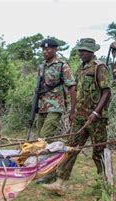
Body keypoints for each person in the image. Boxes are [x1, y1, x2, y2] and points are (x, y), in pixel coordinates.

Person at [42, 38, 111, 195]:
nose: (81, 53)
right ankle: (61, 182)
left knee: (98, 151)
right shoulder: (80, 68)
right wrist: (73, 111)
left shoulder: (99, 67)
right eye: (80, 50)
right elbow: (77, 91)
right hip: (81, 116)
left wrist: (96, 112)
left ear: (92, 51)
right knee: (71, 148)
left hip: (96, 118)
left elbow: (106, 92)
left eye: (84, 51)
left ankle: (106, 183)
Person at [34, 38, 77, 184]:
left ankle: (51, 172)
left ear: (55, 49)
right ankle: (49, 167)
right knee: (43, 139)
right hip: (42, 107)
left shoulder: (62, 65)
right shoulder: (41, 67)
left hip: (55, 107)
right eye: (43, 49)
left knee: (44, 137)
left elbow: (72, 87)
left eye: (48, 49)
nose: (45, 52)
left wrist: (72, 110)